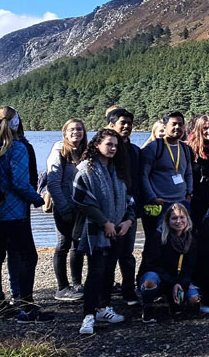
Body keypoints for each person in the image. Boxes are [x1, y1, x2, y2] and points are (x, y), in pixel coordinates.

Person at [0, 106, 51, 322]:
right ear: (17, 122)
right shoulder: (17, 148)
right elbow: (20, 183)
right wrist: (38, 199)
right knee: (29, 257)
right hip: (13, 214)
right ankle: (27, 309)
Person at [74, 129, 134, 334]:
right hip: (96, 231)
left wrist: (128, 221)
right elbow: (82, 200)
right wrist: (104, 222)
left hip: (119, 229)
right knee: (95, 273)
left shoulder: (119, 169)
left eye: (116, 145)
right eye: (109, 144)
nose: (113, 148)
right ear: (97, 144)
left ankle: (103, 307)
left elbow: (129, 199)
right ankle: (88, 316)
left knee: (109, 271)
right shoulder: (86, 168)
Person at [140, 111, 193, 257]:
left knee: (179, 242)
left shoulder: (185, 149)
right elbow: (143, 175)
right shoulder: (154, 147)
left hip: (181, 203)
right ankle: (149, 277)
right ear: (165, 126)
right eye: (173, 124)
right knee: (155, 243)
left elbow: (188, 173)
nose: (177, 127)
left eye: (180, 124)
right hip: (160, 204)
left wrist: (189, 193)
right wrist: (153, 197)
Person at [47, 118, 87, 302]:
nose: (76, 132)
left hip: (80, 208)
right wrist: (63, 207)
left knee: (77, 245)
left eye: (79, 129)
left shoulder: (85, 152)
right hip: (63, 206)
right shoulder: (59, 151)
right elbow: (53, 182)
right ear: (65, 132)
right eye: (72, 129)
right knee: (63, 245)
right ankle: (62, 288)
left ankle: (77, 284)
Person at [139, 203, 199, 322]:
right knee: (150, 281)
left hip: (179, 278)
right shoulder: (157, 237)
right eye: (174, 218)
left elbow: (190, 267)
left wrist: (180, 283)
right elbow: (152, 264)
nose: (178, 221)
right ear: (167, 221)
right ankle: (147, 308)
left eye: (182, 217)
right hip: (158, 277)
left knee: (194, 299)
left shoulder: (191, 240)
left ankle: (173, 302)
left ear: (187, 219)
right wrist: (173, 283)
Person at [106, 108, 141, 306]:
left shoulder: (135, 151)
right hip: (109, 210)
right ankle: (106, 292)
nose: (126, 126)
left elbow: (138, 180)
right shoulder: (105, 149)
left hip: (129, 208)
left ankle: (129, 291)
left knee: (127, 253)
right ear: (112, 125)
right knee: (107, 253)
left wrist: (136, 209)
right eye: (122, 123)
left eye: (129, 123)